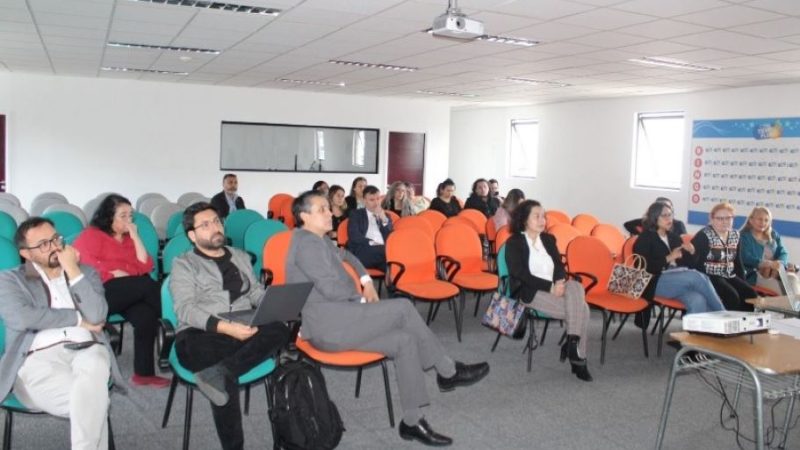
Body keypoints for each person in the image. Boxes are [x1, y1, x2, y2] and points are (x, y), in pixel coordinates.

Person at [285, 190, 490, 446]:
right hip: (329, 328)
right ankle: (447, 371)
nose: (329, 213)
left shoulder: (319, 240)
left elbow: (347, 256)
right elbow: (331, 289)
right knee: (402, 308)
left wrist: (366, 280)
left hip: (344, 321)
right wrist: (361, 300)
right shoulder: (306, 244)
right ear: (304, 216)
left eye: (328, 208)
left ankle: (412, 421)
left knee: (404, 341)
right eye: (322, 210)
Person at [170, 202, 290, 450]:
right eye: (205, 225)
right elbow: (185, 309)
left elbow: (255, 292)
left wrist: (272, 304)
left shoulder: (239, 256)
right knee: (209, 358)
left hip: (244, 322)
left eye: (217, 221)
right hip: (202, 331)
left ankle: (219, 373)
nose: (215, 227)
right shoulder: (184, 264)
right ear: (192, 235)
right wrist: (225, 327)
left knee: (280, 329)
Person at [0, 217, 124, 450]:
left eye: (56, 239)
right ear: (26, 253)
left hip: (88, 350)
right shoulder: (11, 280)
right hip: (37, 358)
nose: (55, 247)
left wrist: (73, 271)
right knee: (93, 402)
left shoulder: (85, 273)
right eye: (43, 244)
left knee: (93, 377)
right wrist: (77, 319)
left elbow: (98, 315)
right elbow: (23, 318)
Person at [74, 194, 170, 388]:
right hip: (100, 294)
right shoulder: (91, 235)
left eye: (130, 215)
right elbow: (83, 267)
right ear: (108, 217)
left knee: (145, 316)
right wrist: (112, 273)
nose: (129, 220)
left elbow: (146, 265)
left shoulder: (128, 239)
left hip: (129, 289)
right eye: (123, 216)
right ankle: (179, 320)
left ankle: (143, 373)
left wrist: (135, 237)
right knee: (145, 285)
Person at [504, 200, 592, 382]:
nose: (542, 220)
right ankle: (578, 358)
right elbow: (519, 273)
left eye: (543, 216)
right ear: (524, 219)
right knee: (582, 310)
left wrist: (559, 282)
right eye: (536, 216)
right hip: (530, 291)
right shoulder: (514, 242)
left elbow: (559, 266)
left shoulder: (548, 239)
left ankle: (572, 342)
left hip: (556, 287)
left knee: (576, 286)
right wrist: (549, 287)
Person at [633, 202, 725, 314]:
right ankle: (722, 314)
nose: (669, 218)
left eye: (670, 215)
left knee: (698, 300)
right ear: (654, 217)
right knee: (696, 276)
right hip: (653, 283)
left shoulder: (673, 237)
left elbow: (689, 265)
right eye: (664, 215)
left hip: (677, 281)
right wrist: (668, 258)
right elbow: (641, 267)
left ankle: (703, 325)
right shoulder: (645, 238)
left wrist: (692, 252)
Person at [690, 203, 756, 311]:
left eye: (728, 218)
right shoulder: (704, 235)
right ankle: (725, 320)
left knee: (750, 294)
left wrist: (743, 283)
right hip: (709, 275)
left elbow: (737, 262)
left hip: (729, 274)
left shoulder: (735, 235)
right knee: (732, 296)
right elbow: (696, 262)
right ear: (712, 219)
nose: (725, 222)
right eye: (720, 218)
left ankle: (742, 320)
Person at [740, 206, 800, 294]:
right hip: (755, 275)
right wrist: (768, 264)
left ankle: (796, 303)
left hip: (775, 272)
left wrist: (780, 263)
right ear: (751, 220)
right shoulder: (743, 237)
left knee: (792, 279)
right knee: (784, 291)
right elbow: (745, 257)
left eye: (766, 220)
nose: (763, 223)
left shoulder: (773, 234)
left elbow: (783, 252)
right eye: (760, 219)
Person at [347, 185, 392, 270]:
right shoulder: (356, 214)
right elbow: (354, 236)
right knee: (391, 257)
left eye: (378, 199)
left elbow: (390, 236)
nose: (376, 203)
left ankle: (390, 271)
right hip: (363, 251)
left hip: (381, 254)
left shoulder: (386, 216)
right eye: (372, 200)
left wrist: (383, 218)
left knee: (393, 267)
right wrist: (373, 243)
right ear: (364, 201)